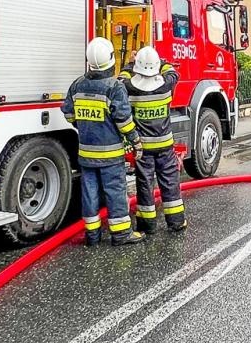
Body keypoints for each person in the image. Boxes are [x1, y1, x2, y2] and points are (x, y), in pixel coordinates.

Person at [63, 37, 144, 247]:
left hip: (87, 155)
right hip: (110, 156)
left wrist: (84, 126)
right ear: (110, 59)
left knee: (89, 194)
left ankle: (93, 236)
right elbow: (124, 121)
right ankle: (121, 234)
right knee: (115, 192)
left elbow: (69, 114)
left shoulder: (77, 85)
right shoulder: (114, 87)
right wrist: (135, 141)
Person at [122, 45, 186, 234]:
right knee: (170, 183)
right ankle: (176, 222)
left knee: (144, 184)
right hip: (165, 147)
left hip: (143, 148)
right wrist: (161, 61)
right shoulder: (167, 84)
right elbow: (173, 72)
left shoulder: (130, 87)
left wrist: (131, 63)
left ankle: (147, 225)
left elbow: (121, 77)